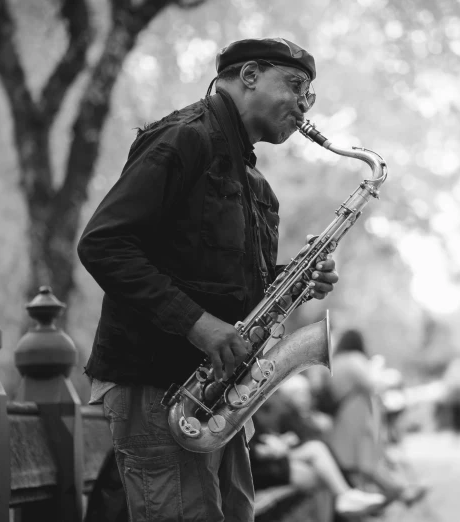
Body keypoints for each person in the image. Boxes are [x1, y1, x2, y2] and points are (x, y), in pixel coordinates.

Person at [77, 37, 340, 522]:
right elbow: (103, 245)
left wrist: (297, 280)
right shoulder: (182, 138)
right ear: (250, 75)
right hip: (159, 385)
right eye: (297, 85)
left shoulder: (255, 183)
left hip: (214, 397)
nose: (304, 104)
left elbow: (232, 286)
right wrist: (199, 324)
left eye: (311, 95)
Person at [249, 378, 387, 517]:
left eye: (306, 393)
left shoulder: (296, 414)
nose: (305, 397)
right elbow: (258, 445)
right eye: (300, 393)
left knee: (319, 463)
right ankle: (346, 495)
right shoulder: (283, 414)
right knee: (317, 457)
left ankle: (346, 496)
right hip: (267, 464)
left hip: (283, 460)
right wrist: (276, 444)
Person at [322, 329, 427, 506]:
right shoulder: (355, 359)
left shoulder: (336, 361)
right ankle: (397, 492)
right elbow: (371, 384)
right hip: (357, 414)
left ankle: (388, 494)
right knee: (365, 458)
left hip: (343, 414)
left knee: (353, 460)